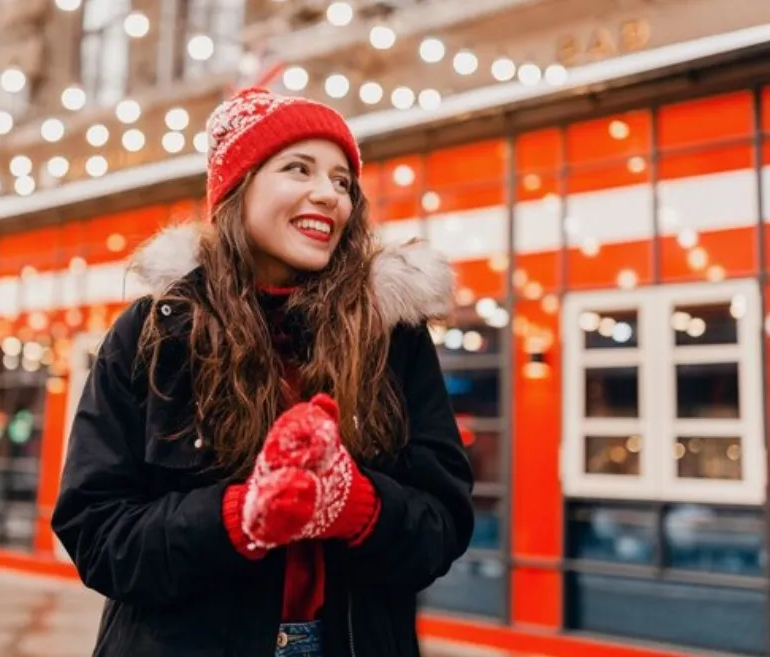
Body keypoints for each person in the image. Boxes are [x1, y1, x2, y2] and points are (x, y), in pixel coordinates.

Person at [52, 86, 475, 657]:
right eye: (298, 169)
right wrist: (237, 517)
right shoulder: (156, 333)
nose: (328, 194)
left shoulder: (392, 337)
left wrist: (360, 506)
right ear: (237, 187)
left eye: (342, 181)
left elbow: (442, 524)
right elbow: (96, 533)